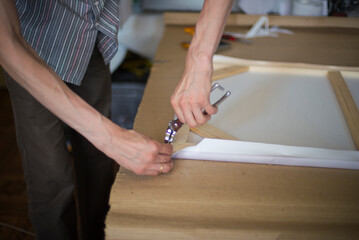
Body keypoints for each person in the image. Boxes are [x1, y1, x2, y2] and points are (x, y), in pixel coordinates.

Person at [0, 0, 233, 239]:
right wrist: (111, 138)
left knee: (97, 161)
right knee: (50, 177)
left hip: (89, 33)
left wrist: (199, 60)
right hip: (29, 44)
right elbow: (6, 42)